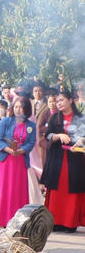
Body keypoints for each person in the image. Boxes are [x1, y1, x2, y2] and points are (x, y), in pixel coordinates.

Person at [41, 89, 85, 232]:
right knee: (56, 190)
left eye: (61, 100)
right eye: (57, 101)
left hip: (75, 159)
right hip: (57, 158)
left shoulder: (81, 118)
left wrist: (81, 141)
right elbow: (48, 136)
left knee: (72, 190)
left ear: (71, 100)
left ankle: (70, 223)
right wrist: (58, 136)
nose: (58, 103)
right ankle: (55, 221)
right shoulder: (54, 118)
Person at [0, 97, 37, 227]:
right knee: (4, 189)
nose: (18, 109)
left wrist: (22, 150)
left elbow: (31, 142)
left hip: (20, 161)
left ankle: (18, 221)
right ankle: (0, 220)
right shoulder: (6, 121)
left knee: (18, 190)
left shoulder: (31, 125)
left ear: (26, 109)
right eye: (16, 107)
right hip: (5, 161)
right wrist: (7, 149)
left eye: (21, 107)